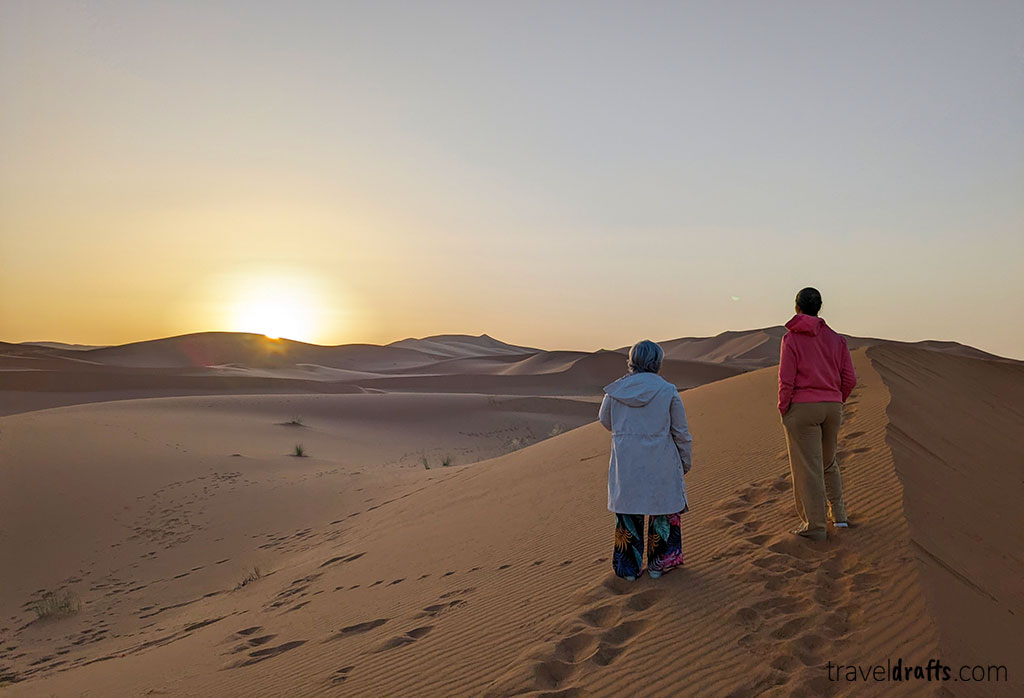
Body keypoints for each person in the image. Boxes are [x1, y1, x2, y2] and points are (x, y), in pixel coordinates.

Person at [599, 340, 692, 581]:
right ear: (658, 363)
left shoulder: (616, 390)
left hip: (627, 462)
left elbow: (605, 420)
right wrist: (685, 461)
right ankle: (658, 567)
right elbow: (681, 432)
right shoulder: (668, 390)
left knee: (628, 513)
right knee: (663, 512)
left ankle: (628, 570)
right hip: (661, 460)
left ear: (631, 362)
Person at [778, 287, 857, 542]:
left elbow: (786, 380)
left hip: (802, 408)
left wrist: (784, 408)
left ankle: (815, 526)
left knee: (809, 468)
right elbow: (850, 379)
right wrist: (837, 399)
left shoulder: (791, 339)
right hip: (832, 406)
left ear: (797, 307)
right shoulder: (837, 339)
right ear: (819, 307)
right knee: (828, 461)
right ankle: (840, 517)